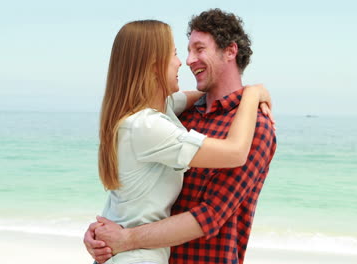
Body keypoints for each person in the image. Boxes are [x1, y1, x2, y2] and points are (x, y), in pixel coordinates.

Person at [85, 15, 275, 264]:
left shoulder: (256, 128)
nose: (185, 61)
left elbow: (211, 214)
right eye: (179, 53)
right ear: (152, 65)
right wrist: (105, 237)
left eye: (199, 49)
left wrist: (120, 237)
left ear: (230, 51)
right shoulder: (167, 120)